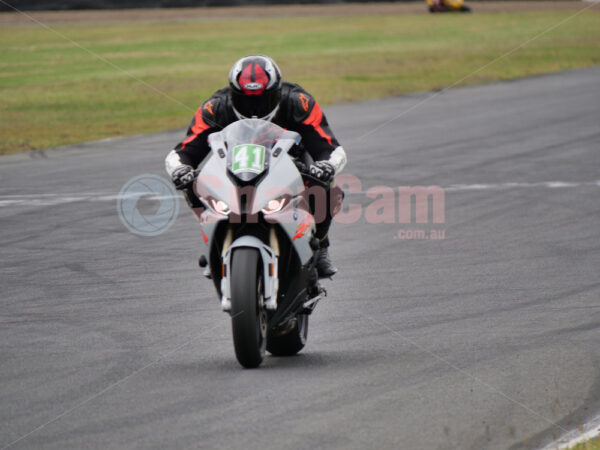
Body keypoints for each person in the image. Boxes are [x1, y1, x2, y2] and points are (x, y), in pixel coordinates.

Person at [164, 55, 347, 278]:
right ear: (232, 95)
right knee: (191, 183)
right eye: (246, 101)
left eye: (263, 100)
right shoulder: (214, 108)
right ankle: (215, 241)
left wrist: (326, 165)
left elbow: (330, 147)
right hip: (234, 168)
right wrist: (180, 169)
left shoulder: (299, 102)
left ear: (278, 93)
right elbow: (184, 151)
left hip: (292, 165)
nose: (254, 108)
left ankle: (320, 245)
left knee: (327, 187)